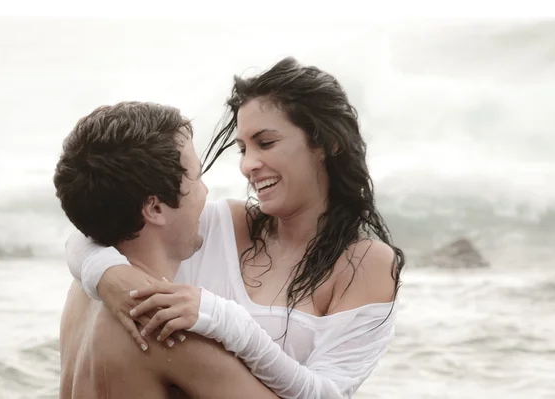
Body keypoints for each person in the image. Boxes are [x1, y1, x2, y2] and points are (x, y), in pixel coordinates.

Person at [65, 57, 405, 398]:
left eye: (266, 143)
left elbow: (328, 396)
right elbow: (108, 214)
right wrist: (108, 276)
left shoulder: (367, 264)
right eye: (243, 148)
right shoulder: (220, 225)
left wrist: (227, 322)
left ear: (328, 142)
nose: (248, 165)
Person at [54, 102, 279, 399]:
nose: (205, 191)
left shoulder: (83, 291)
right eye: (196, 178)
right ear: (156, 208)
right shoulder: (166, 330)